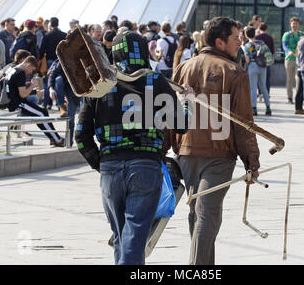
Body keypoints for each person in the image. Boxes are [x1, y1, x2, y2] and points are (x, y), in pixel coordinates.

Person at [75, 31, 190, 265]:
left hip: (110, 168)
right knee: (134, 238)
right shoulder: (155, 81)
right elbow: (181, 124)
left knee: (121, 237)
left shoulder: (100, 84)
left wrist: (102, 163)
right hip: (146, 167)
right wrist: (186, 100)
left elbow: (80, 135)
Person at [169, 17, 261, 265]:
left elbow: (168, 112)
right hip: (219, 154)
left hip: (185, 150)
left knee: (198, 212)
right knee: (206, 213)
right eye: (235, 38)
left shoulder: (184, 67)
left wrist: (163, 147)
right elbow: (244, 123)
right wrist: (252, 160)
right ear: (220, 42)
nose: (240, 42)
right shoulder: (234, 72)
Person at [6, 56, 64, 146]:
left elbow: (16, 87)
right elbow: (23, 94)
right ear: (28, 64)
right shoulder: (20, 73)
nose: (30, 72)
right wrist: (32, 85)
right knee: (42, 114)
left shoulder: (14, 69)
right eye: (32, 69)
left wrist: (27, 85)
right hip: (17, 102)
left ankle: (53, 138)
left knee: (42, 113)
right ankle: (57, 140)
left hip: (13, 99)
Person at [48, 59, 81, 145]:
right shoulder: (63, 61)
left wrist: (68, 97)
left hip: (74, 93)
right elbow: (52, 75)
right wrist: (51, 88)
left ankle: (68, 142)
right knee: (58, 79)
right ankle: (61, 106)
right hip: (64, 90)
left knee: (71, 119)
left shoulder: (81, 63)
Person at [39, 17, 67, 109]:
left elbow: (41, 50)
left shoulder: (47, 35)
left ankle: (47, 103)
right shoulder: (64, 34)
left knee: (49, 82)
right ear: (58, 24)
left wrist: (39, 60)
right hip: (62, 61)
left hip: (50, 61)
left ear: (50, 24)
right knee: (60, 82)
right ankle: (60, 104)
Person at [245, 27, 272, 116]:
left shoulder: (248, 45)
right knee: (263, 87)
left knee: (253, 88)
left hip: (252, 66)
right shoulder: (261, 43)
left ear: (246, 34)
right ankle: (268, 108)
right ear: (255, 34)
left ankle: (254, 109)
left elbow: (247, 59)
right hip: (262, 66)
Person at [282, 17, 304, 105]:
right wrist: (289, 51)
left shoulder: (302, 34)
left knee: (298, 79)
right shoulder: (287, 34)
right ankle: (290, 97)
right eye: (293, 23)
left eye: (296, 23)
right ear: (290, 24)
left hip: (300, 59)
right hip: (289, 59)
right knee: (290, 79)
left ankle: (298, 97)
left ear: (298, 25)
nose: (294, 25)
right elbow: (284, 45)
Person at [256, 23, 275, 94]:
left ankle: (260, 92)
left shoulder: (257, 37)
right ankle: (267, 92)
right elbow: (272, 50)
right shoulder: (270, 37)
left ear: (259, 28)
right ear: (267, 29)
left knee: (258, 77)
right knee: (267, 78)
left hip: (258, 60)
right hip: (267, 60)